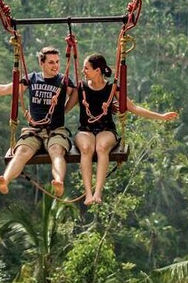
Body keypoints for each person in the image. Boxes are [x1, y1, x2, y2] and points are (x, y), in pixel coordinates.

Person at [0, 46, 77, 197]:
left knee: (56, 151)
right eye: (51, 62)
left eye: (57, 62)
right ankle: (5, 180)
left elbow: (77, 93)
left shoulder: (63, 81)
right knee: (22, 151)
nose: (56, 66)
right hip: (34, 130)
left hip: (56, 129)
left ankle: (58, 181)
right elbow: (5, 89)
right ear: (42, 63)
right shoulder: (32, 79)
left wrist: (65, 109)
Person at [76, 53, 178, 206]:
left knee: (101, 147)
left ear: (97, 71)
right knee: (86, 148)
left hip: (106, 129)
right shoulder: (81, 88)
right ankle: (88, 194)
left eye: (86, 68)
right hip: (86, 130)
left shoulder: (111, 89)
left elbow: (133, 108)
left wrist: (161, 116)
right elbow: (64, 107)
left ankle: (97, 192)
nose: (83, 71)